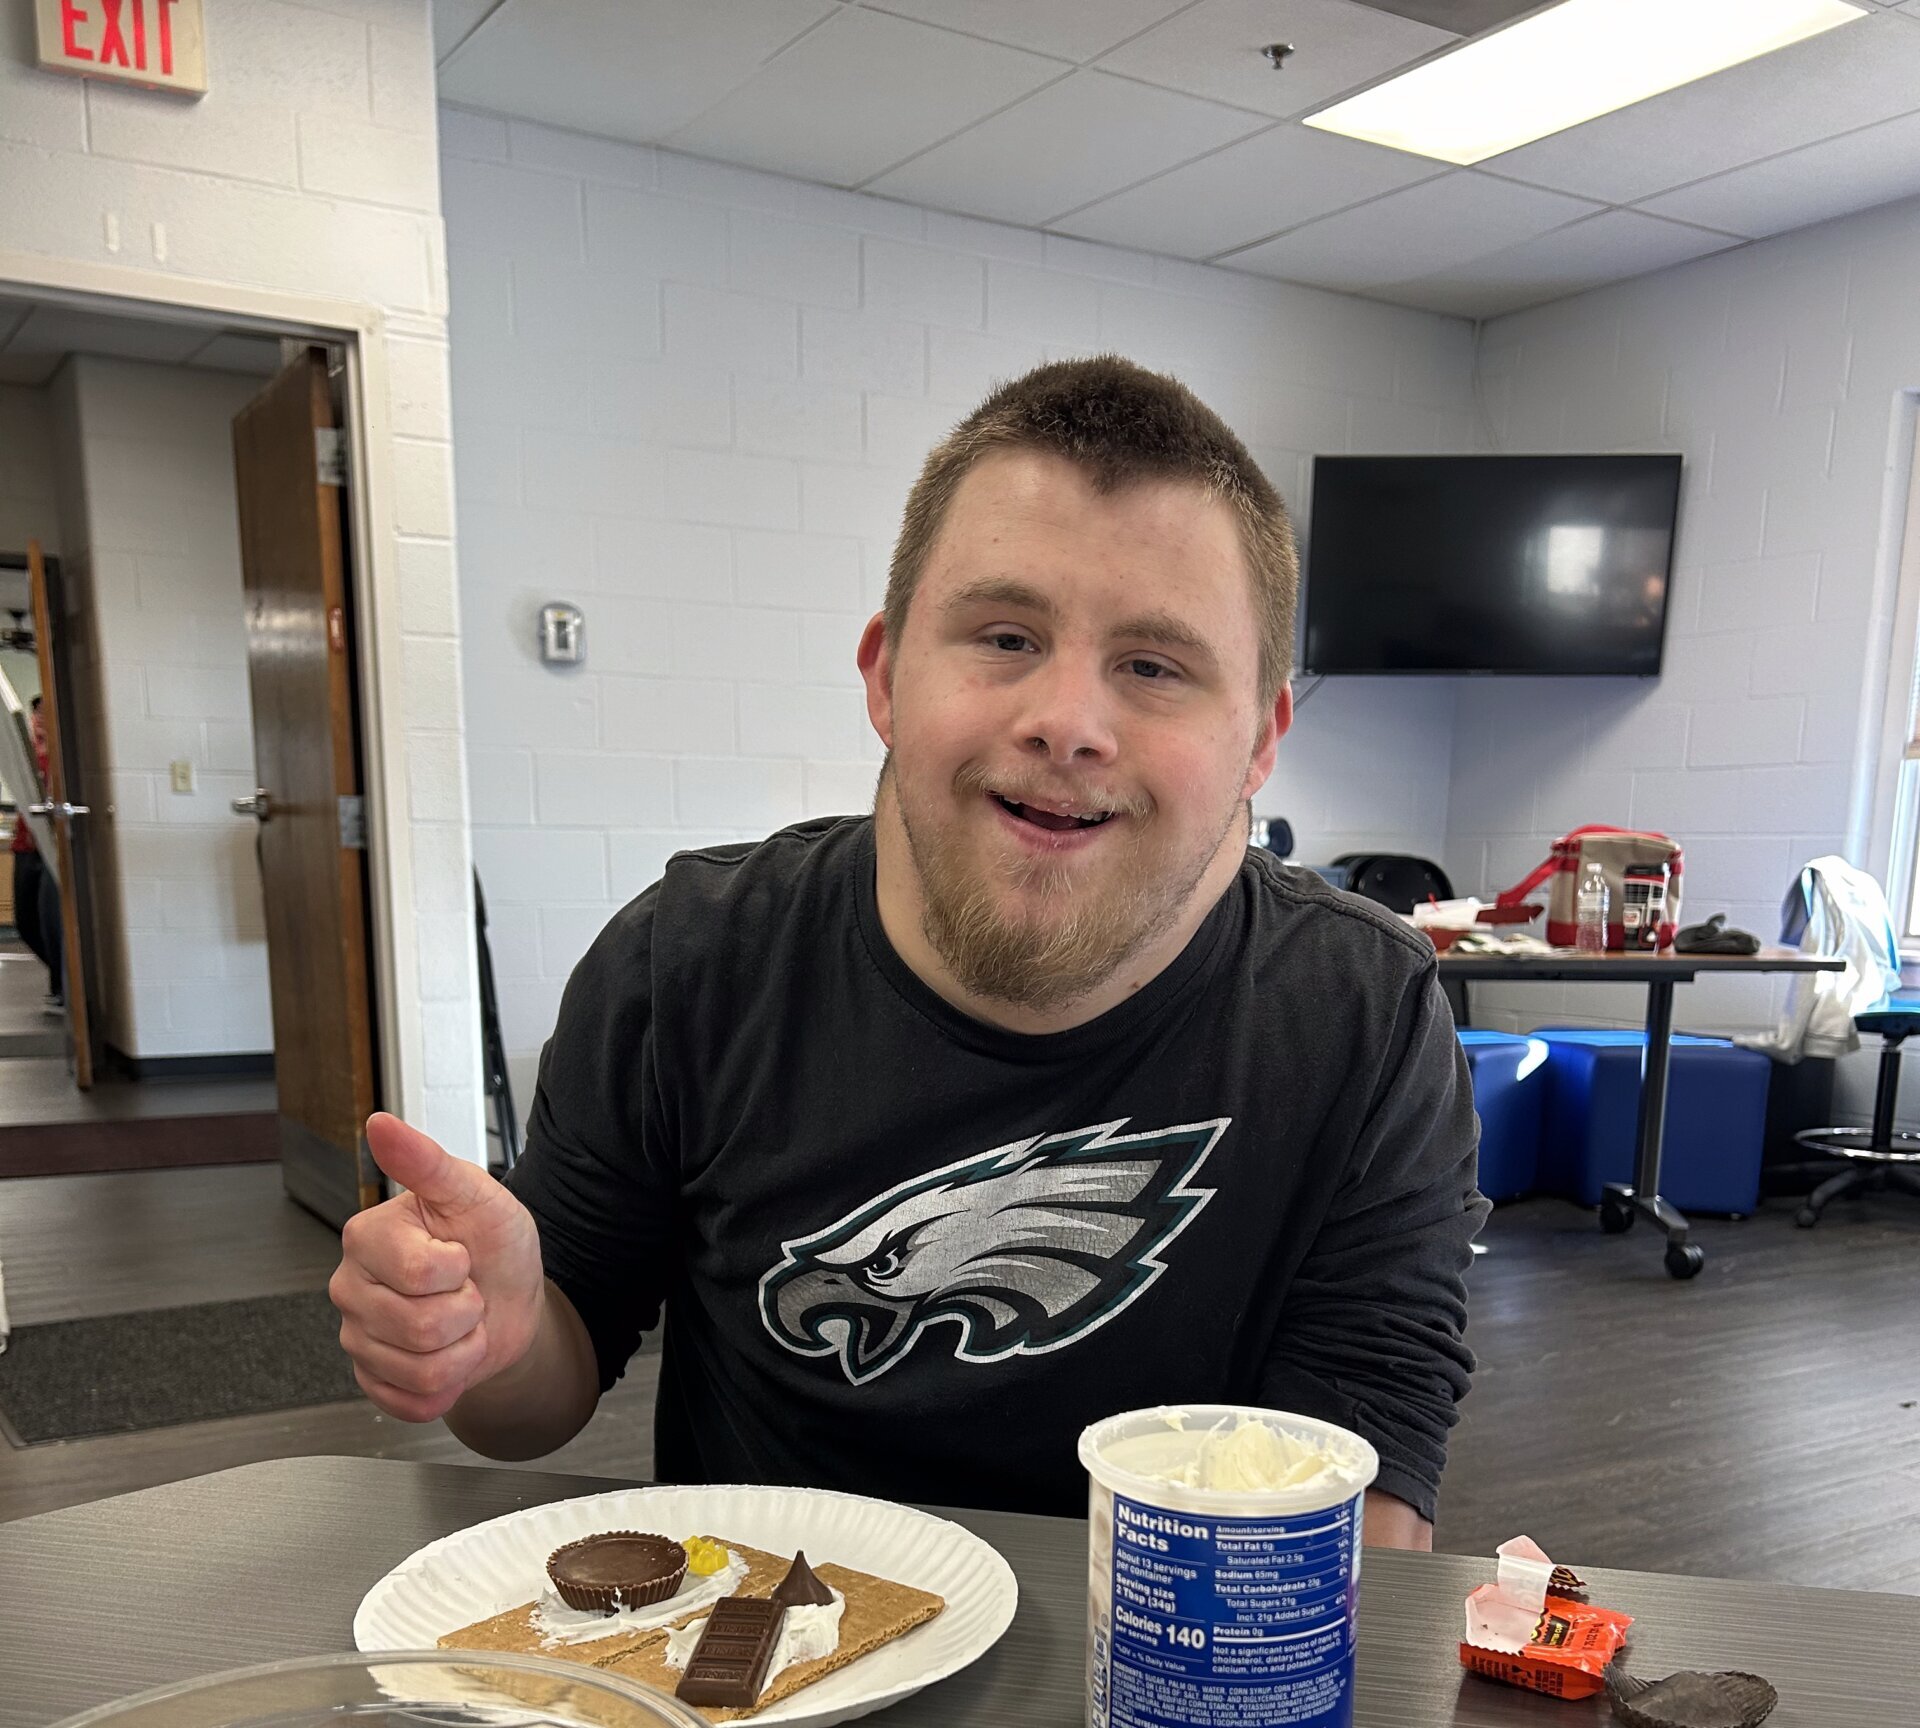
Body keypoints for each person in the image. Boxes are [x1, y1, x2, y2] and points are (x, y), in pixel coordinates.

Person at [331, 357, 1487, 1548]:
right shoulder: (692, 961)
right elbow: (532, 1409)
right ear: (886, 676)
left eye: (1154, 665)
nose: (1068, 724)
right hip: (769, 1665)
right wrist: (493, 1335)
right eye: (1003, 634)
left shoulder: (1364, 1017)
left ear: (1259, 740)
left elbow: (1369, 1464)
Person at [11, 696, 59, 1012]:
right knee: (25, 921)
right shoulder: (25, 753)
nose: (37, 718)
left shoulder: (62, 751)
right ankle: (63, 979)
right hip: (27, 842)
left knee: (51, 921)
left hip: (53, 844)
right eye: (35, 712)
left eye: (43, 712)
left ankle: (66, 985)